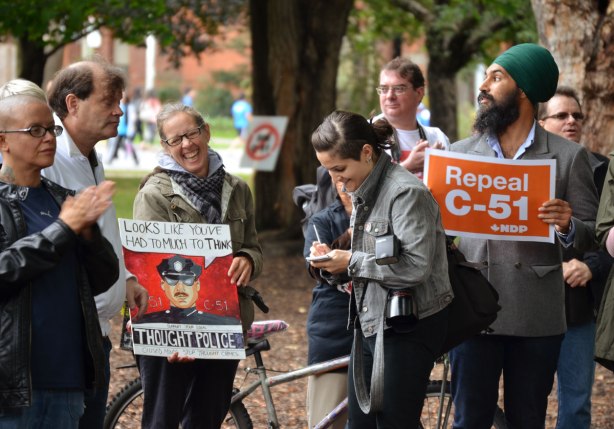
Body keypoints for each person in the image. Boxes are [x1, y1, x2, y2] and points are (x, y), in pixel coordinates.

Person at [448, 43, 599, 429]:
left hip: (538, 316)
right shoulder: (459, 154)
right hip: (472, 311)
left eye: (496, 78)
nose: (484, 87)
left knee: (528, 420)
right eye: (486, 77)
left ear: (525, 91)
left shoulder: (568, 157)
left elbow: (591, 236)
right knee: (469, 420)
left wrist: (567, 225)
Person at [309, 110, 453, 428]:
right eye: (328, 170)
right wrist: (333, 263)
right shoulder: (365, 186)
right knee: (360, 424)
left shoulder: (405, 192)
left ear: (366, 152)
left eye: (340, 168)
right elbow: (375, 259)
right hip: (371, 321)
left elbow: (415, 268)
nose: (336, 180)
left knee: (392, 423)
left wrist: (351, 261)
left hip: (409, 326)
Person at [133, 102, 263, 428]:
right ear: (165, 147)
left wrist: (248, 260)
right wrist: (178, 335)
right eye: (175, 140)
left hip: (224, 324)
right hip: (171, 331)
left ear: (206, 132)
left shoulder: (237, 189)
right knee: (163, 420)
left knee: (208, 418)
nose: (187, 145)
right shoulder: (155, 195)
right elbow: (151, 271)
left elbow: (252, 246)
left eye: (191, 134)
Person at [0, 92, 119, 428]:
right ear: (3, 140)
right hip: (12, 387)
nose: (49, 138)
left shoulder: (63, 200)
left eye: (52, 129)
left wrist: (88, 234)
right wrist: (63, 229)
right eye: (35, 130)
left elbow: (104, 277)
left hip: (68, 384)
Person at [42, 59, 149, 429]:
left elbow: (98, 230)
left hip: (94, 334)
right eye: (109, 101)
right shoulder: (48, 157)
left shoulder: (88, 154)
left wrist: (126, 278)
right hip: (65, 339)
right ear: (73, 104)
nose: (119, 110)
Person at [538, 86, 612, 429]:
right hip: (530, 303)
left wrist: (590, 266)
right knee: (529, 401)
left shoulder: (603, 169)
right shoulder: (518, 169)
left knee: (577, 402)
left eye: (577, 115)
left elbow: (606, 237)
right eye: (561, 115)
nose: (571, 121)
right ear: (540, 122)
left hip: (579, 304)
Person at [303, 180, 354, 429]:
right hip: (334, 327)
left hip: (386, 327)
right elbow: (315, 268)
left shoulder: (391, 210)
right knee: (329, 417)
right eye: (334, 171)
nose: (342, 180)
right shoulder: (322, 219)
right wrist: (350, 236)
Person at [377, 57, 450, 179]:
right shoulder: (365, 134)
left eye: (399, 89)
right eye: (384, 89)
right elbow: (359, 191)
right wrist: (408, 167)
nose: (390, 96)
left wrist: (440, 167)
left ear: (419, 93)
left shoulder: (437, 138)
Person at [138, 255, 239, 325]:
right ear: (163, 285)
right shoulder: (146, 322)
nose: (180, 287)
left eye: (187, 279)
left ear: (197, 284)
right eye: (172, 279)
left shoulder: (223, 324)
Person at [106, 92, 139, 166]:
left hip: (127, 130)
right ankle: (110, 159)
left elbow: (133, 118)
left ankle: (136, 159)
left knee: (129, 145)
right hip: (120, 129)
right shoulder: (119, 106)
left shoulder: (130, 106)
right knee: (114, 145)